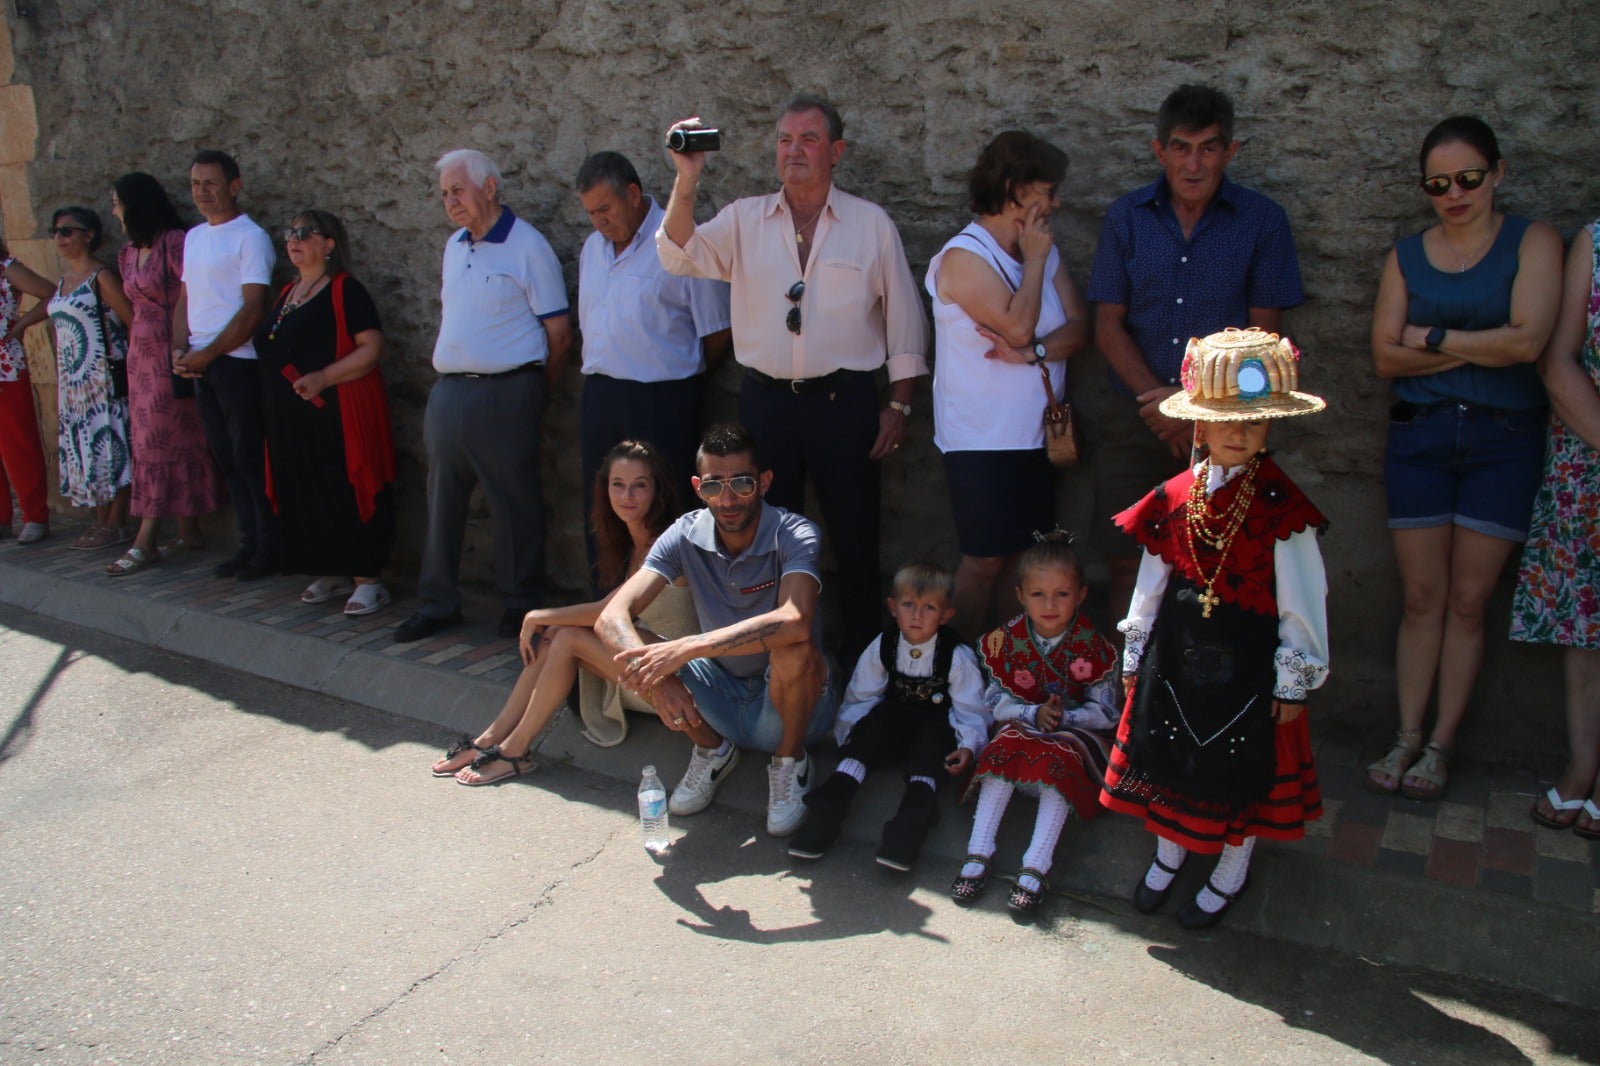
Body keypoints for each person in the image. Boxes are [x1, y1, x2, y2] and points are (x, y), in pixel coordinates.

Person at [658, 93, 929, 664]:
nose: (794, 150)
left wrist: (898, 406)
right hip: (767, 406)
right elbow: (678, 253)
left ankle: (862, 675)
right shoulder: (744, 218)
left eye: (808, 139)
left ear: (836, 150)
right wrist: (687, 177)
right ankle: (772, 669)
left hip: (845, 404)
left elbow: (906, 322)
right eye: (785, 139)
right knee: (761, 545)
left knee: (856, 544)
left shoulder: (868, 224)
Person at [1100, 327, 1329, 929]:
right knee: (1167, 754)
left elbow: (1304, 600)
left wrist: (1294, 678)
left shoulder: (1284, 507)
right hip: (1176, 659)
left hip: (1249, 667)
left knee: (1242, 771)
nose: (1239, 434)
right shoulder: (1174, 495)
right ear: (1198, 425)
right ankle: (1169, 854)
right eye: (1226, 421)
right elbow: (1151, 580)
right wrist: (1135, 648)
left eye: (1254, 425)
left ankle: (1232, 866)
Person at [1366, 117, 1562, 800]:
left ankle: (1442, 745)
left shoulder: (1532, 242)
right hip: (1420, 438)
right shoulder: (1406, 255)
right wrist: (1485, 340)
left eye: (1469, 179)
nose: (1454, 194)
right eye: (1439, 183)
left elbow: (1531, 342)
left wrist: (1434, 338)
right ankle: (1406, 735)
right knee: (1422, 597)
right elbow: (1387, 356)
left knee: (1471, 602)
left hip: (1503, 440)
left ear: (1498, 173)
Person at [1087, 84, 1305, 626]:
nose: (1193, 162)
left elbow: (1264, 339)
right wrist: (1160, 406)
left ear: (1230, 153)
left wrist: (1196, 410)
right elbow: (1107, 327)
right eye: (1181, 147)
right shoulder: (1127, 218)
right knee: (1123, 563)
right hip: (1134, 420)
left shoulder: (1262, 221)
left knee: (1215, 565)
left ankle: (1198, 697)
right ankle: (1126, 700)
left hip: (1224, 424)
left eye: (1208, 148)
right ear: (1159, 151)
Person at [597, 423, 838, 837]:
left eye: (741, 484)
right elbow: (611, 615)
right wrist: (659, 680)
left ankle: (789, 763)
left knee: (794, 647)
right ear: (697, 487)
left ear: (764, 482)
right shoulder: (684, 533)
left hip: (788, 707)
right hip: (720, 695)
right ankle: (711, 749)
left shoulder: (795, 533)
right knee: (632, 645)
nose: (726, 500)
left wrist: (688, 648)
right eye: (713, 486)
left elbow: (795, 619)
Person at [429, 440, 697, 784]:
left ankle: (515, 752)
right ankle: (490, 740)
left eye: (639, 485)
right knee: (558, 635)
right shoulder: (629, 543)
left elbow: (606, 613)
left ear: (657, 490)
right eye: (618, 484)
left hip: (677, 679)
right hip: (641, 666)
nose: (627, 495)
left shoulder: (664, 543)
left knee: (565, 634)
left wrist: (537, 615)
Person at [395, 148, 572, 644]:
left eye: (459, 190)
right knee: (441, 499)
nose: (451, 201)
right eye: (444, 194)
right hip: (450, 391)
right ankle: (437, 603)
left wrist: (534, 393)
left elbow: (558, 333)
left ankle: (520, 605)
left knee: (515, 503)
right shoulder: (454, 245)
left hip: (507, 391)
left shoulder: (527, 246)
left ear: (489, 187)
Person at [927, 131, 1090, 636]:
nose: (1056, 201)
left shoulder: (1040, 247)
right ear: (1016, 188)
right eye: (1049, 189)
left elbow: (1079, 328)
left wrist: (1033, 353)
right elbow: (1017, 324)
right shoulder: (964, 257)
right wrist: (1037, 263)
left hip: (1035, 436)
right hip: (981, 441)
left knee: (1023, 564)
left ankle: (1003, 679)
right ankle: (951, 671)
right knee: (984, 562)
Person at [574, 150, 731, 576]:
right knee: (605, 509)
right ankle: (607, 606)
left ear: (633, 194)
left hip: (663, 398)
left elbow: (717, 331)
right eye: (590, 213)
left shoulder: (679, 242)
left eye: (605, 209)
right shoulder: (592, 249)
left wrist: (682, 379)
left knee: (663, 506)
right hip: (602, 395)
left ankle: (666, 617)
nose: (599, 221)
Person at [950, 533, 1119, 919]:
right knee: (1003, 742)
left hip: (1071, 739)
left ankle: (1036, 865)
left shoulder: (1094, 647)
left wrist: (1067, 719)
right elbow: (992, 699)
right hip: (1023, 732)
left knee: (1061, 753)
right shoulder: (1005, 641)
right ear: (1021, 595)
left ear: (1081, 594)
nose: (1049, 605)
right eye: (1038, 594)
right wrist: (1029, 714)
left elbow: (1107, 712)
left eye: (1062, 594)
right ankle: (979, 850)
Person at [788, 560, 989, 870]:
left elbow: (970, 709)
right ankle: (830, 807)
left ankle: (911, 823)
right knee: (877, 719)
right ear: (893, 607)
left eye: (929, 608)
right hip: (894, 724)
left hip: (935, 725)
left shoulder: (956, 656)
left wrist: (968, 745)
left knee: (934, 740)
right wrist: (854, 736)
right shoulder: (884, 645)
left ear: (947, 615)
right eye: (909, 605)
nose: (917, 616)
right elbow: (861, 695)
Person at [254, 210, 396, 616]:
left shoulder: (345, 290)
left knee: (344, 487)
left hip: (337, 410)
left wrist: (324, 378)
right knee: (305, 487)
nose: (293, 240)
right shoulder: (287, 293)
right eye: (289, 233)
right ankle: (329, 568)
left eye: (304, 233)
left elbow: (371, 348)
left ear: (329, 244)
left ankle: (367, 578)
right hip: (292, 417)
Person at [1513, 221, 1600, 837]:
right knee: (1586, 624)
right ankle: (1583, 764)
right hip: (1589, 458)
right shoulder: (1596, 242)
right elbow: (1559, 356)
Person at [104, 172, 219, 575]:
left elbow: (192, 294)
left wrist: (183, 346)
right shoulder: (127, 253)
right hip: (140, 359)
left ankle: (146, 539)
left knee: (165, 444)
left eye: (117, 201)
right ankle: (190, 530)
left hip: (171, 356)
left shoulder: (175, 243)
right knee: (152, 443)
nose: (113, 210)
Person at [172, 149, 277, 580]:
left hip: (237, 362)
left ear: (234, 185)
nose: (202, 192)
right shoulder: (194, 237)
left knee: (250, 457)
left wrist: (209, 353)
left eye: (211, 183)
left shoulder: (250, 237)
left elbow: (253, 309)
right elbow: (184, 299)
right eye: (196, 184)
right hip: (201, 364)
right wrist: (179, 351)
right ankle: (248, 542)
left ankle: (270, 547)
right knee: (226, 459)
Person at [44, 207, 134, 547]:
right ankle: (99, 519)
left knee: (113, 444)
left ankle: (116, 522)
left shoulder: (102, 277)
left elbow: (131, 320)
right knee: (86, 448)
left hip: (102, 378)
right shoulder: (63, 281)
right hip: (73, 381)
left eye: (68, 231)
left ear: (89, 235)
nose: (60, 238)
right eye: (55, 231)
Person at [0, 234, 60, 544]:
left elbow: (52, 293)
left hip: (5, 368)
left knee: (18, 444)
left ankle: (35, 515)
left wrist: (21, 325)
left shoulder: (7, 268)